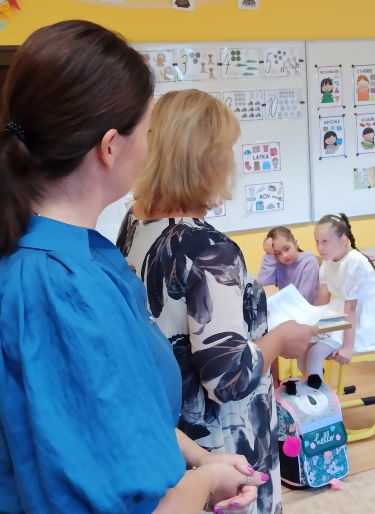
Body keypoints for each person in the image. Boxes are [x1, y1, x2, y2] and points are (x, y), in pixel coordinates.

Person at [0, 21, 264, 514]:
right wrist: (206, 482)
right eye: (146, 131)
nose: (150, 147)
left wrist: (201, 459)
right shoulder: (63, 288)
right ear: (110, 146)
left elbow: (120, 413)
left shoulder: (84, 253)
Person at [116, 88, 318, 514]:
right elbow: (228, 379)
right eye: (226, 149)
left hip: (166, 429)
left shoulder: (134, 222)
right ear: (205, 159)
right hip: (220, 444)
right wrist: (281, 339)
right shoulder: (209, 248)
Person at [301, 213, 375, 376]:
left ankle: (318, 391)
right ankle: (314, 386)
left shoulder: (355, 264)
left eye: (325, 242)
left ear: (343, 240)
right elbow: (323, 297)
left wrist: (347, 347)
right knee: (301, 346)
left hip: (361, 322)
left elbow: (351, 309)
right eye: (317, 241)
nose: (319, 248)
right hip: (340, 312)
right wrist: (317, 324)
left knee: (314, 354)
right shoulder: (329, 258)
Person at [258, 226, 320, 305]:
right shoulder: (277, 263)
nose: (284, 255)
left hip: (306, 308)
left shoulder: (309, 262)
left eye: (287, 249)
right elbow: (263, 285)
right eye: (278, 253)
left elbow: (305, 298)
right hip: (287, 308)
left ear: (295, 243)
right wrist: (269, 256)